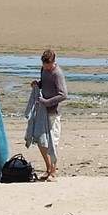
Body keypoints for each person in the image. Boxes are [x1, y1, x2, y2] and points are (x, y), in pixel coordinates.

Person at [27, 49, 66, 181]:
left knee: (52, 142)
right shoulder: (43, 70)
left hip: (53, 112)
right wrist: (37, 84)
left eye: (47, 65)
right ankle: (48, 168)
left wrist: (47, 102)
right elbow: (44, 84)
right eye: (44, 64)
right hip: (42, 111)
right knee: (40, 140)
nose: (45, 67)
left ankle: (53, 172)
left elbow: (63, 95)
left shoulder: (57, 73)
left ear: (53, 62)